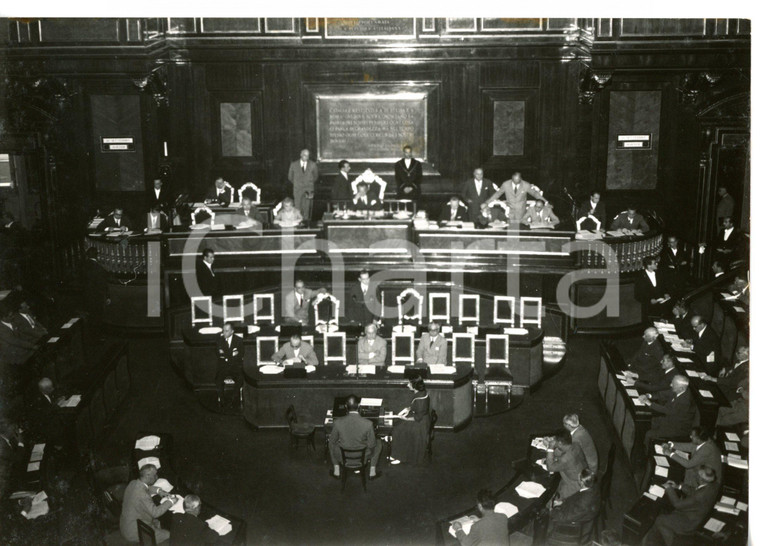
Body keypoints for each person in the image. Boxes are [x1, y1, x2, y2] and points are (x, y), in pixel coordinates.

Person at [646, 466, 720, 546]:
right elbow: (695, 491)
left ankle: (671, 542)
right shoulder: (712, 485)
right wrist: (679, 486)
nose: (695, 475)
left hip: (689, 522)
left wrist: (669, 488)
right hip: (696, 516)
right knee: (666, 517)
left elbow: (677, 504)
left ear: (700, 479)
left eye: (697, 475)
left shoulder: (700, 495)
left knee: (660, 519)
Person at [328, 394, 381, 479]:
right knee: (378, 442)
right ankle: (372, 471)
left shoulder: (337, 422)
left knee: (331, 442)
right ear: (359, 405)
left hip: (342, 455)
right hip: (362, 456)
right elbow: (371, 445)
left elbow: (332, 441)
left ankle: (336, 469)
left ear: (346, 406)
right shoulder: (368, 423)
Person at [120, 464, 174, 543]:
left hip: (126, 525)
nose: (157, 477)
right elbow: (155, 513)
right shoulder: (142, 494)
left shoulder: (133, 483)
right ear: (147, 475)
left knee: (158, 522)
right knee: (169, 535)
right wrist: (171, 501)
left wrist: (159, 491)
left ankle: (156, 533)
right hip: (134, 532)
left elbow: (145, 488)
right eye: (155, 475)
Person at [641, 375, 696, 446]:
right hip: (669, 418)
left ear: (681, 388)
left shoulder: (685, 401)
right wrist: (648, 396)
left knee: (649, 434)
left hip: (677, 427)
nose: (670, 385)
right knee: (648, 422)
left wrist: (650, 403)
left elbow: (668, 411)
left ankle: (646, 451)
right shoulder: (678, 389)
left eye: (673, 384)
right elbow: (662, 394)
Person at [391, 376, 431, 465]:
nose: (407, 385)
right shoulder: (420, 393)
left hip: (420, 423)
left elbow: (418, 417)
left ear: (415, 385)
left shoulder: (420, 398)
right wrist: (408, 409)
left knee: (399, 430)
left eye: (409, 383)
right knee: (399, 426)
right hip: (419, 418)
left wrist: (406, 418)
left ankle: (400, 456)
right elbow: (417, 407)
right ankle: (397, 452)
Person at [545, 430, 588, 501]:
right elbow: (563, 452)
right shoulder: (576, 444)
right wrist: (548, 446)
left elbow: (550, 467)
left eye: (555, 440)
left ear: (560, 443)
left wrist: (550, 447)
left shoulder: (565, 459)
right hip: (580, 473)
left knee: (552, 501)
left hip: (574, 484)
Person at [82, 247, 110, 340]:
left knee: (91, 318)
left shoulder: (83, 266)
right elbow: (103, 285)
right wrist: (107, 297)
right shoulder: (99, 269)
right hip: (97, 297)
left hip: (86, 296)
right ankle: (97, 337)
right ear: (96, 255)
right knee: (98, 318)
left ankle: (91, 336)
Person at [215, 322, 244, 408]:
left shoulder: (239, 340)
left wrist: (226, 355)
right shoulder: (219, 340)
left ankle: (233, 400)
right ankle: (222, 401)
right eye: (223, 330)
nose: (224, 333)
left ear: (232, 331)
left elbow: (241, 354)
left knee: (240, 379)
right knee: (218, 379)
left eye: (226, 331)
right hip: (223, 367)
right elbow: (217, 353)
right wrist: (231, 354)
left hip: (235, 367)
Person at [287, 149, 319, 219]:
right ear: (301, 155)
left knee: (307, 208)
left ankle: (307, 225)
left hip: (309, 190)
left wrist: (308, 183)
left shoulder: (313, 164)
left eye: (307, 156)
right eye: (304, 155)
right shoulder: (293, 164)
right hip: (297, 190)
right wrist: (297, 183)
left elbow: (315, 177)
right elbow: (290, 177)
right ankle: (298, 224)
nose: (306, 157)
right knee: (298, 208)